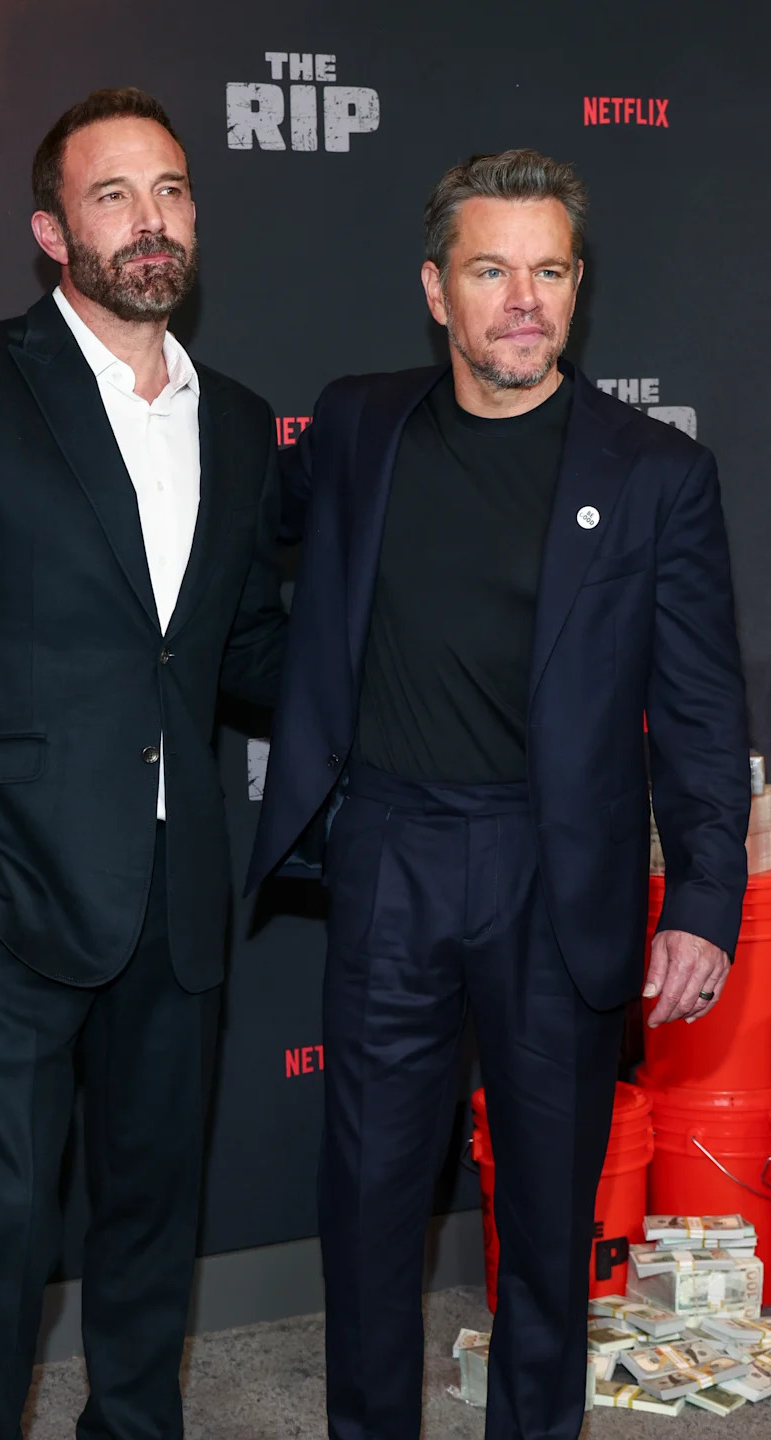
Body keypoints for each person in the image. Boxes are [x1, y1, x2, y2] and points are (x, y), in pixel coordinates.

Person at [248, 149, 750, 1440]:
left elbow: (699, 709)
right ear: (436, 289)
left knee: (544, 1225)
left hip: (555, 872)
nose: (522, 300)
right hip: (392, 861)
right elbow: (237, 539)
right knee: (365, 1211)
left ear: (577, 289)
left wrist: (700, 896)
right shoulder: (356, 427)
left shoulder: (655, 476)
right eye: (490, 270)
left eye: (548, 271)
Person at [0, 87, 285, 1440]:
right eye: (112, 196)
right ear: (51, 229)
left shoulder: (244, 419)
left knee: (155, 1213)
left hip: (176, 889)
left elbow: (241, 649)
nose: (150, 222)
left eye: (171, 190)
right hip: (5, 893)